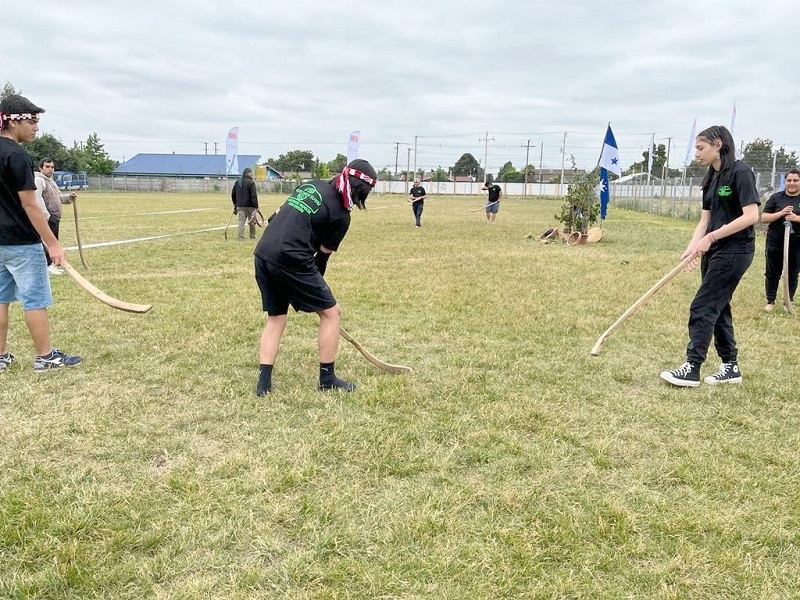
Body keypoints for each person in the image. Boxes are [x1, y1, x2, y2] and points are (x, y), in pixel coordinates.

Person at [253, 159, 377, 395]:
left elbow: (275, 217)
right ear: (362, 190)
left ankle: (263, 385)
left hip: (263, 252)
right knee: (332, 314)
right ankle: (327, 379)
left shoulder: (310, 186)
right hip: (292, 257)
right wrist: (320, 295)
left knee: (276, 318)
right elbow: (321, 259)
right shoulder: (341, 215)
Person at [660, 125, 759, 387]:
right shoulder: (711, 177)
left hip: (736, 250)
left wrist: (712, 238)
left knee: (703, 306)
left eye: (700, 148)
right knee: (718, 307)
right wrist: (694, 247)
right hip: (714, 251)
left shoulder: (740, 172)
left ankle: (692, 367)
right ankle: (730, 367)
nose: (696, 153)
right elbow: (705, 220)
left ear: (718, 145)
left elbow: (751, 216)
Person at [0, 94, 82, 373]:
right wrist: (53, 244)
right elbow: (30, 204)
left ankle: (1, 357)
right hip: (22, 242)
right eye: (32, 121)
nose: (36, 128)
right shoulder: (18, 155)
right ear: (14, 121)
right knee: (34, 299)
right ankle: (46, 357)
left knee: (0, 299)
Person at [760, 169, 800, 311]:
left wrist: (796, 218)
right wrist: (781, 213)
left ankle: (787, 302)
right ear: (785, 182)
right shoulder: (776, 198)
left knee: (792, 272)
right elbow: (764, 218)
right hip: (775, 240)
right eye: (789, 180)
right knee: (772, 271)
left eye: (795, 180)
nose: (792, 183)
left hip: (796, 242)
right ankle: (770, 301)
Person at [35, 157, 75, 275]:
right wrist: (45, 216)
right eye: (47, 167)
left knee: (53, 241)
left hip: (55, 218)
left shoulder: (52, 182)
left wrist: (69, 197)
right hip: (47, 218)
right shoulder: (38, 180)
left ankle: (51, 264)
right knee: (47, 242)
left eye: (52, 167)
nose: (50, 169)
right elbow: (37, 199)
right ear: (41, 168)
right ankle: (47, 265)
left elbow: (59, 198)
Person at [231, 167, 258, 240]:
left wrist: (235, 204)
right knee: (252, 221)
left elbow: (233, 194)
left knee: (241, 222)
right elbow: (254, 195)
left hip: (240, 206)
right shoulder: (251, 182)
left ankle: (240, 237)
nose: (252, 174)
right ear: (248, 173)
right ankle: (252, 236)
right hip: (250, 206)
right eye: (251, 172)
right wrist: (256, 206)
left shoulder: (237, 182)